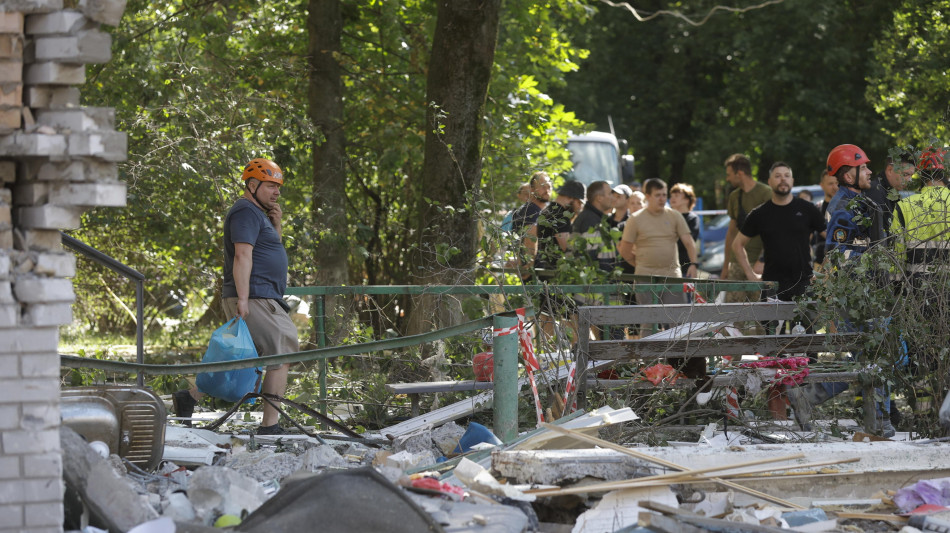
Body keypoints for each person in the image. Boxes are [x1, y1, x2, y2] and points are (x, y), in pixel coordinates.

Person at [173, 158, 298, 435]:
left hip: (258, 296)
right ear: (252, 185)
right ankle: (270, 426)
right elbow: (242, 255)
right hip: (255, 297)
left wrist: (276, 226)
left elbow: (269, 250)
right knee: (282, 349)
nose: (276, 192)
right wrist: (243, 298)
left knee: (242, 357)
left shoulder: (258, 215)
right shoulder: (245, 212)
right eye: (270, 186)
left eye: (278, 186)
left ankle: (190, 397)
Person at [788, 145, 895, 437]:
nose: (871, 172)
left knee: (872, 355)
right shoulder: (845, 208)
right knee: (873, 354)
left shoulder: (860, 202)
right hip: (858, 294)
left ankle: (874, 419)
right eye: (865, 167)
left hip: (869, 290)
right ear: (849, 173)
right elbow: (836, 254)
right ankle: (874, 419)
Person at [619, 178, 699, 346]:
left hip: (672, 277)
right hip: (645, 277)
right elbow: (624, 249)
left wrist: (693, 264)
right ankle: (648, 364)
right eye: (658, 195)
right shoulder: (635, 219)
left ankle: (680, 363)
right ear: (647, 196)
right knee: (649, 322)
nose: (662, 199)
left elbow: (689, 241)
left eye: (664, 195)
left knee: (679, 322)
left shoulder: (674, 215)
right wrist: (641, 264)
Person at [732, 161, 824, 302]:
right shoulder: (760, 213)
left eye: (787, 175)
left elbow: (832, 238)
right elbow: (737, 244)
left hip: (803, 283)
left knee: (806, 325)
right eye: (778, 176)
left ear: (792, 181)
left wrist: (825, 271)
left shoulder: (808, 209)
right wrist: (750, 275)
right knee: (769, 324)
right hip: (772, 285)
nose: (783, 179)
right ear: (769, 181)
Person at [721, 154, 772, 301]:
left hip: (759, 262)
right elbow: (731, 233)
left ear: (740, 173)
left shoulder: (766, 193)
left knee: (761, 316)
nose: (727, 179)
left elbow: (771, 232)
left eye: (729, 174)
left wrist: (762, 261)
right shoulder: (734, 197)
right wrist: (726, 266)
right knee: (732, 314)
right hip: (736, 263)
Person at [530, 180, 586, 272]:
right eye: (579, 203)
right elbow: (567, 246)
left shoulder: (547, 211)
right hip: (557, 272)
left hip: (546, 268)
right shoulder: (560, 215)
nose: (579, 207)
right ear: (571, 198)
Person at [572, 180, 619, 273]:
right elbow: (590, 257)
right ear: (599, 198)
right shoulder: (590, 221)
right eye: (609, 194)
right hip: (597, 283)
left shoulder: (595, 218)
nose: (612, 197)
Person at [865, 153, 916, 238]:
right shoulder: (876, 191)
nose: (910, 180)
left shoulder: (890, 192)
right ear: (890, 170)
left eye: (911, 175)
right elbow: (877, 236)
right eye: (905, 174)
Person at [669, 183, 701, 273]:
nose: (672, 198)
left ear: (687, 199)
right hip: (667, 266)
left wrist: (693, 264)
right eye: (671, 196)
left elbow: (688, 242)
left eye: (676, 196)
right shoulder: (667, 217)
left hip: (685, 266)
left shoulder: (692, 219)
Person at [812, 172, 840, 265]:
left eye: (837, 183)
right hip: (821, 262)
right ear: (822, 185)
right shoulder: (817, 209)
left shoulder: (848, 208)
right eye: (830, 184)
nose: (835, 187)